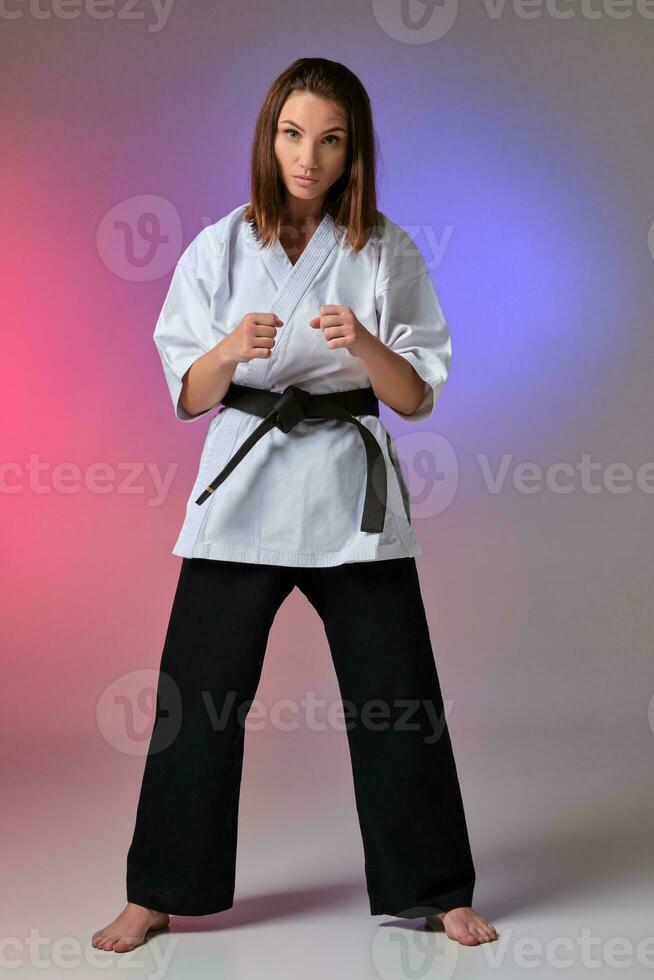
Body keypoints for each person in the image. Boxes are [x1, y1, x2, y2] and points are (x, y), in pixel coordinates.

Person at [91, 57, 498, 953]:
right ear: (267, 138)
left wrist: (366, 344)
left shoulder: (385, 249)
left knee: (397, 696)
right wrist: (233, 346)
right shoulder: (220, 246)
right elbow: (190, 394)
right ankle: (156, 891)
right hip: (246, 480)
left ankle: (432, 885)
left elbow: (417, 394)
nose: (307, 157)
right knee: (195, 700)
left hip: (349, 490)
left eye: (329, 140)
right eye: (292, 134)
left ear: (355, 153)